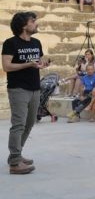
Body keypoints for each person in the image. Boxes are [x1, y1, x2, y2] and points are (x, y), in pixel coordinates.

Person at [2, 12, 48, 174]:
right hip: (18, 89)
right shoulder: (10, 43)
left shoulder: (36, 42)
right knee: (18, 124)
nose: (36, 23)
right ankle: (15, 163)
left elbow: (41, 59)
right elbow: (7, 66)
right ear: (23, 25)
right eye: (33, 21)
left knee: (29, 123)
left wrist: (44, 62)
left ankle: (16, 154)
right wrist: (28, 64)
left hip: (35, 88)